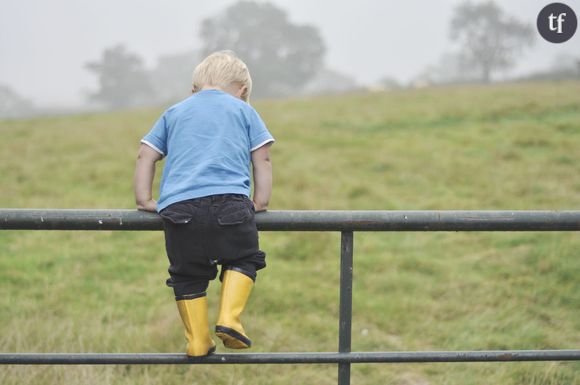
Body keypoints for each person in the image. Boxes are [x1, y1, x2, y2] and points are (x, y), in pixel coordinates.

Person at [133, 51, 274, 357]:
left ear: (193, 89)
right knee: (244, 258)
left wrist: (144, 199)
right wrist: (260, 201)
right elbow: (261, 157)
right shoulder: (243, 110)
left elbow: (146, 153)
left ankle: (197, 341)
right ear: (243, 91)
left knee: (187, 274)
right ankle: (229, 319)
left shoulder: (174, 112)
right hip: (231, 202)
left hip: (178, 208)